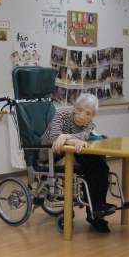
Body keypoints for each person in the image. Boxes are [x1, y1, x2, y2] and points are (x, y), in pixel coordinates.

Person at [40, 93, 114, 234]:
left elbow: (82, 136)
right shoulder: (61, 115)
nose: (81, 116)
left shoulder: (90, 124)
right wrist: (72, 140)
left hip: (72, 154)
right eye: (79, 110)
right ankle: (94, 211)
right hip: (52, 156)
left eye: (87, 113)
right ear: (74, 107)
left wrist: (66, 136)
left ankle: (97, 209)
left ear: (93, 116)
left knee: (102, 167)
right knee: (91, 163)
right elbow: (55, 139)